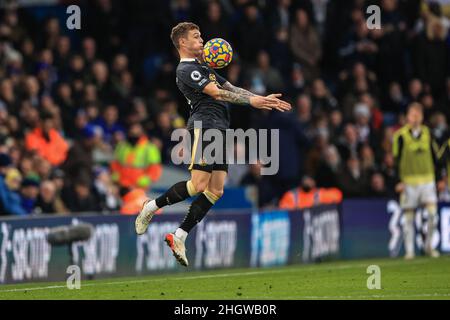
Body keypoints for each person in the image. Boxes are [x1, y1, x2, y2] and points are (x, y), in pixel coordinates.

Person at [135, 22, 291, 267]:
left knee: (216, 190)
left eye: (201, 36)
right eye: (196, 37)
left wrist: (259, 98)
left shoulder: (202, 66)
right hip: (205, 125)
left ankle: (179, 235)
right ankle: (151, 206)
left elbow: (229, 87)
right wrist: (252, 103)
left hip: (220, 127)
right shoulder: (186, 70)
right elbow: (217, 93)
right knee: (198, 184)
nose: (201, 40)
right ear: (183, 43)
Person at [392, 103, 440, 259]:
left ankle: (428, 247)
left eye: (418, 114)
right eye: (412, 114)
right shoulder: (400, 136)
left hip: (427, 180)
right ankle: (410, 251)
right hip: (408, 182)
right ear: (407, 116)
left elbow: (436, 157)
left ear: (422, 117)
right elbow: (395, 160)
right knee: (408, 218)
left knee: (433, 215)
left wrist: (439, 179)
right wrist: (398, 181)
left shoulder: (429, 133)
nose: (415, 118)